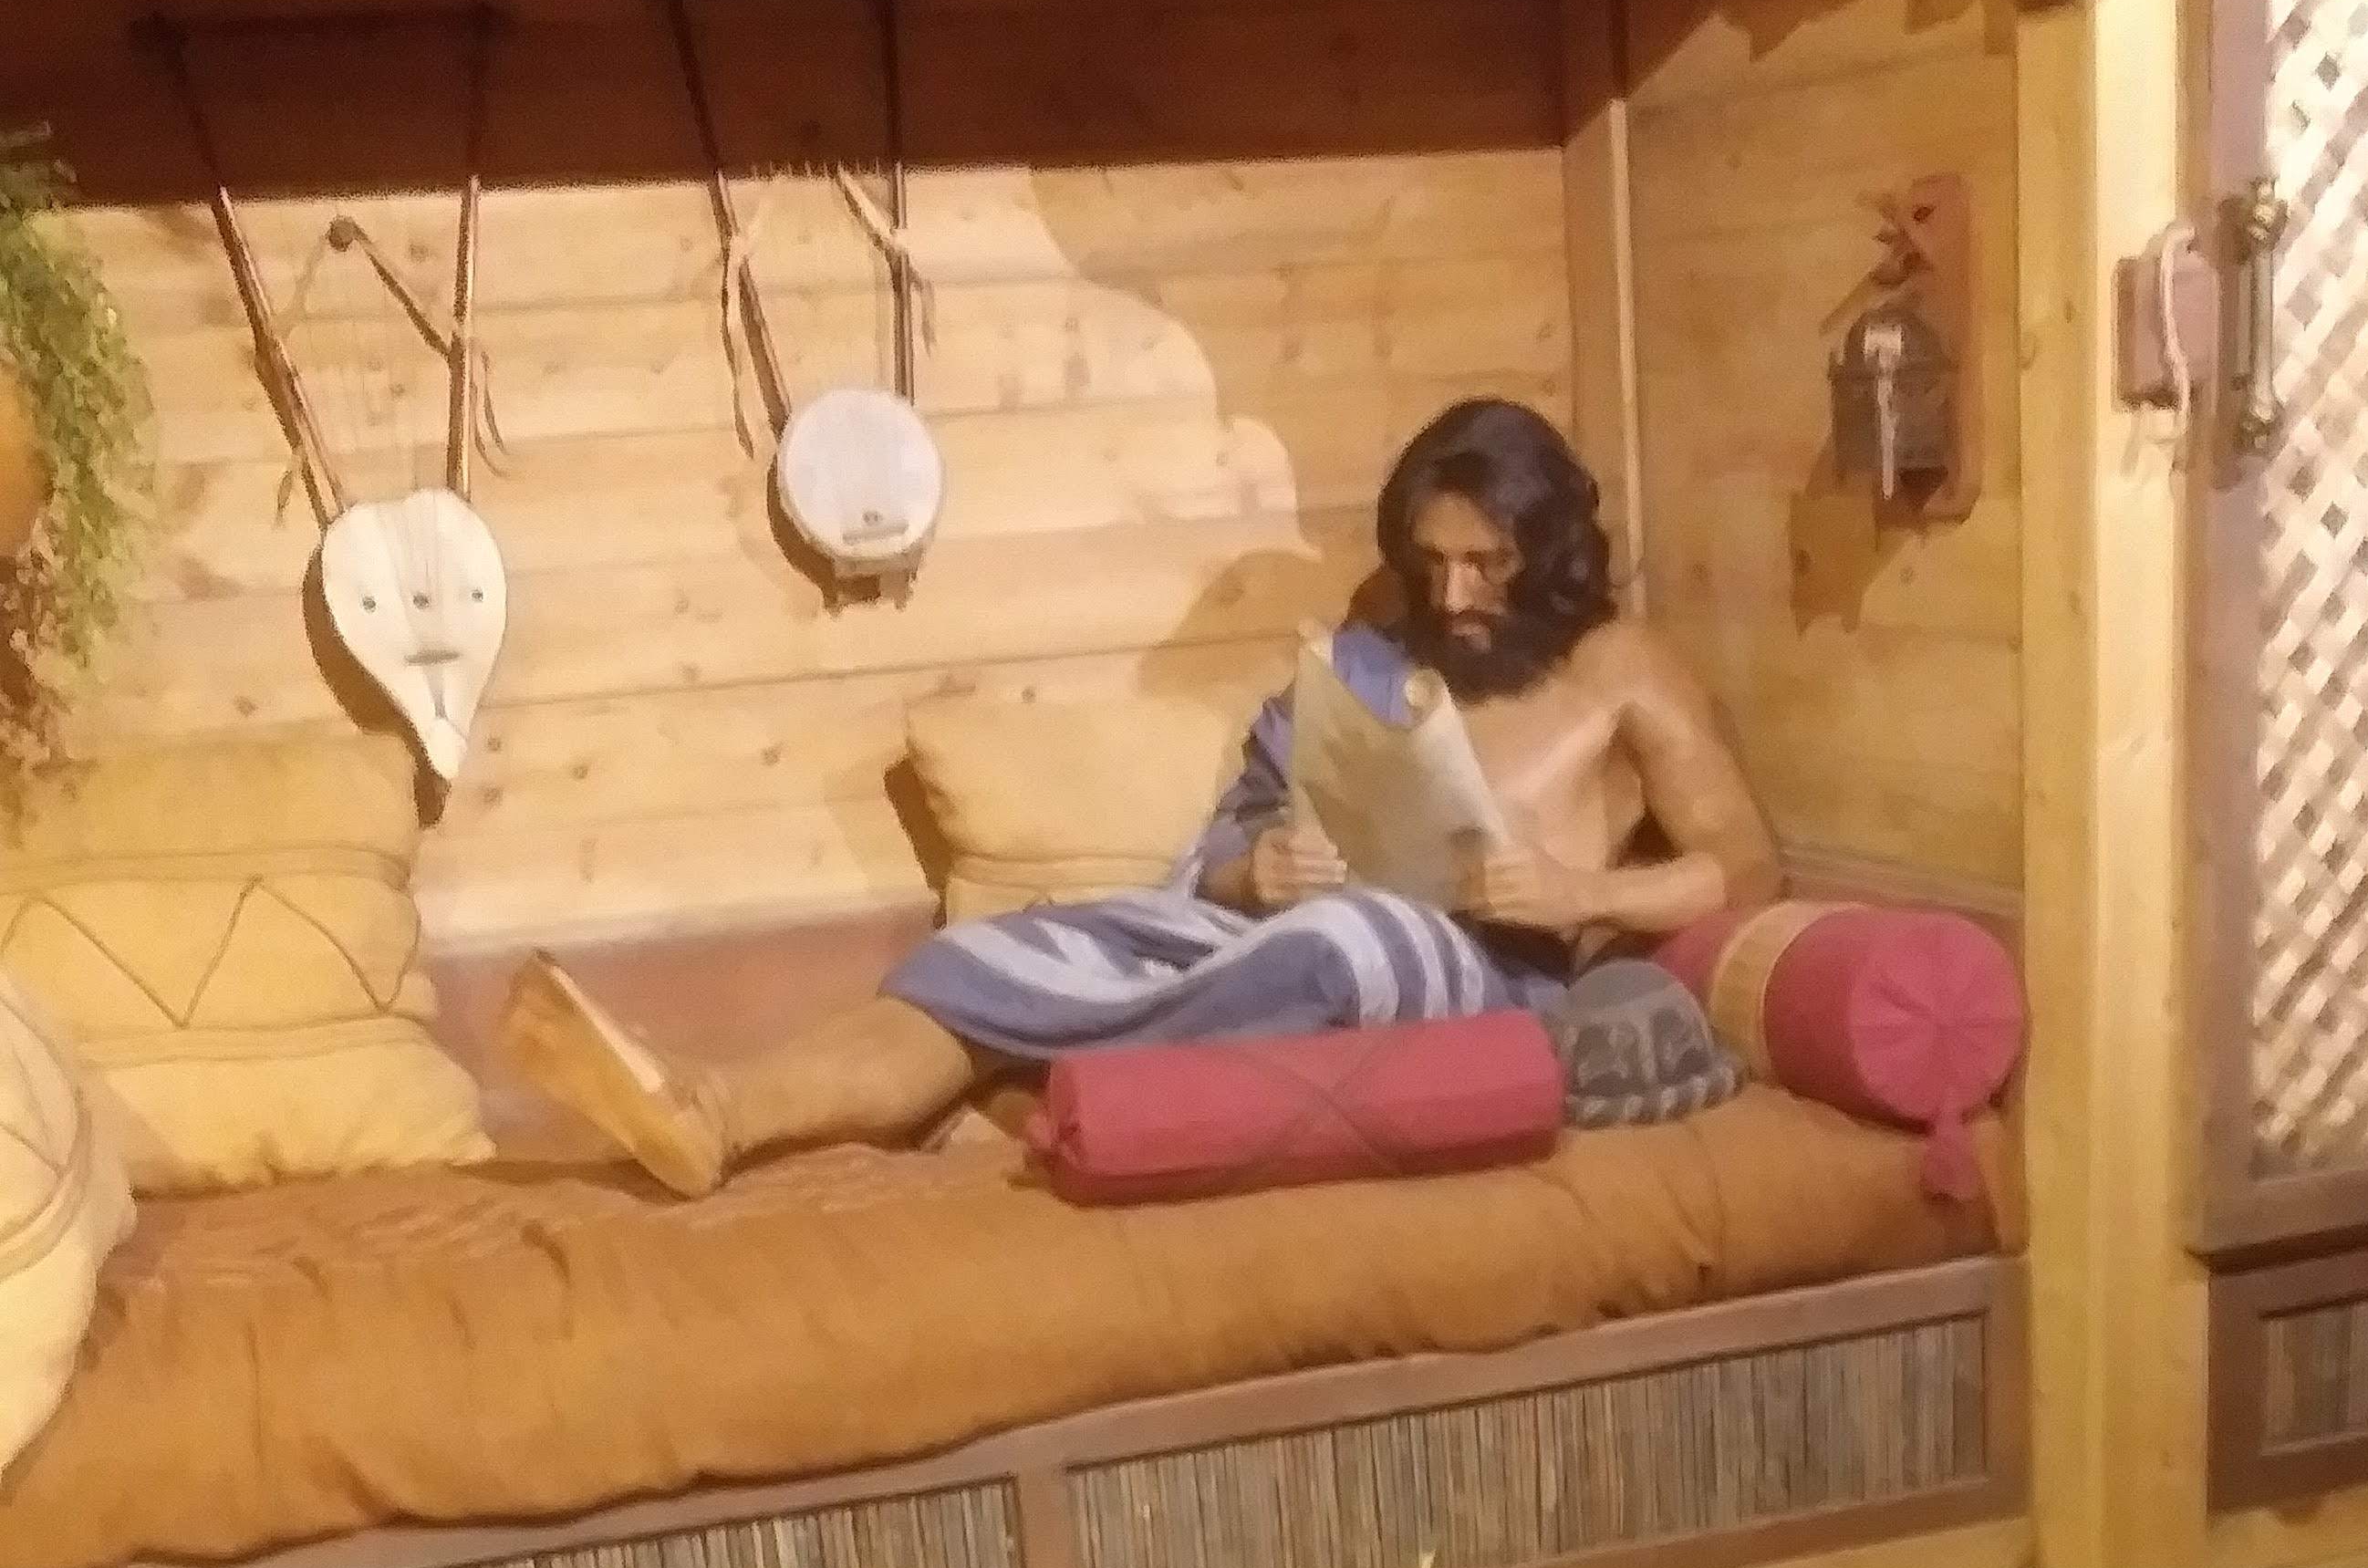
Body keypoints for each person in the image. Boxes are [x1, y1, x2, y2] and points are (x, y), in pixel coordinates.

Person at [496, 399, 1784, 1196]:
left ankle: (1023, 1084)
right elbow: (1228, 844)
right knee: (1013, 949)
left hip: (1489, 976)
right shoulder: (1371, 662)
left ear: (1546, 552)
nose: (1452, 597)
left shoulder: (1623, 671)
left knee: (1351, 938)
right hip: (1279, 942)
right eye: (1431, 562)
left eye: (1486, 565)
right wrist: (1253, 868)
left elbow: (1745, 865)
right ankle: (720, 1112)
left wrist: (1578, 892)